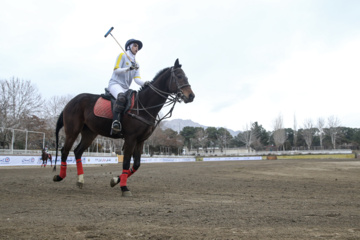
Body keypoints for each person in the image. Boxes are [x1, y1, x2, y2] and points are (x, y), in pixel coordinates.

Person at [108, 38, 149, 134]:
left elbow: (137, 79)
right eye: (135, 45)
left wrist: (145, 83)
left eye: (138, 47)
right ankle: (115, 122)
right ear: (129, 47)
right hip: (115, 84)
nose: (137, 48)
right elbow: (116, 70)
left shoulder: (136, 64)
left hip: (126, 88)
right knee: (121, 97)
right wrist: (128, 68)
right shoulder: (122, 55)